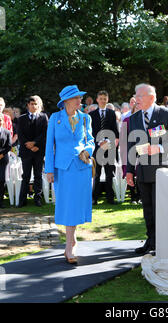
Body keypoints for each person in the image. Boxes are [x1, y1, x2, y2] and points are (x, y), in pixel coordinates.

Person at [126, 83, 168, 255]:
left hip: (163, 169)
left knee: (162, 209)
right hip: (143, 170)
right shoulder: (134, 118)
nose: (136, 99)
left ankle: (163, 244)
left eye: (140, 96)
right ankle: (150, 241)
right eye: (136, 96)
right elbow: (131, 146)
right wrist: (129, 170)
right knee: (148, 209)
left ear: (152, 97)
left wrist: (160, 148)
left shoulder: (166, 114)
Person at [45, 85, 95, 263]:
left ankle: (70, 241)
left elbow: (90, 140)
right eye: (77, 98)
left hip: (81, 168)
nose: (80, 101)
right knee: (67, 206)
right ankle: (69, 245)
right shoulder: (55, 118)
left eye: (80, 98)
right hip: (63, 169)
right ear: (66, 101)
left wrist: (87, 150)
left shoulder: (85, 118)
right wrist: (49, 169)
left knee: (76, 205)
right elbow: (49, 146)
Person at [17, 96, 48, 207]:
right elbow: (20, 135)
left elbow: (45, 134)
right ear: (28, 105)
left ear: (39, 105)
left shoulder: (44, 117)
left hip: (38, 150)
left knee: (38, 175)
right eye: (31, 104)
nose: (33, 106)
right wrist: (29, 145)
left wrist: (35, 144)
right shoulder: (21, 118)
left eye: (35, 104)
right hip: (26, 151)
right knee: (25, 175)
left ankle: (38, 199)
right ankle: (22, 200)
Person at [89, 90, 119, 205]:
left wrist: (107, 141)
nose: (103, 101)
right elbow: (91, 132)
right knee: (96, 174)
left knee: (109, 174)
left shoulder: (112, 113)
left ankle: (110, 198)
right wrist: (100, 142)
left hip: (109, 147)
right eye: (101, 98)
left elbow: (115, 131)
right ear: (97, 100)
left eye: (105, 99)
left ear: (108, 100)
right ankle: (94, 198)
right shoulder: (92, 115)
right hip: (97, 148)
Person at [0, 114, 12, 208]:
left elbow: (9, 146)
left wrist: (2, 154)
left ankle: (1, 201)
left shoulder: (7, 132)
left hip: (3, 159)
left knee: (2, 179)